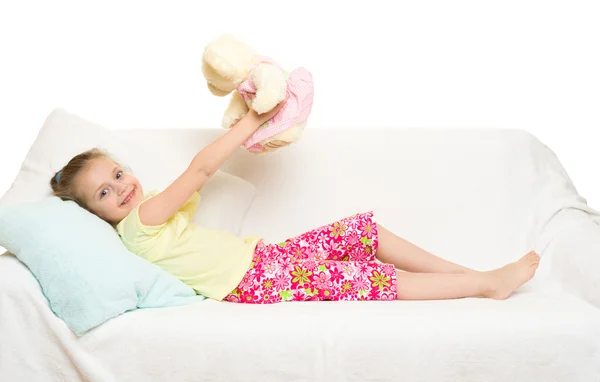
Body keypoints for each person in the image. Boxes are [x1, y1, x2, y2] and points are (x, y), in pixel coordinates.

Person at [50, 99, 539, 304]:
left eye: (117, 173)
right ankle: (482, 286)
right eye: (105, 193)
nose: (122, 187)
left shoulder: (147, 208)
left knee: (361, 231)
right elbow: (199, 171)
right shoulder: (139, 222)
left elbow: (184, 192)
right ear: (96, 215)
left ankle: (461, 271)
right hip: (254, 281)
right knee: (368, 280)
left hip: (262, 259)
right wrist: (246, 126)